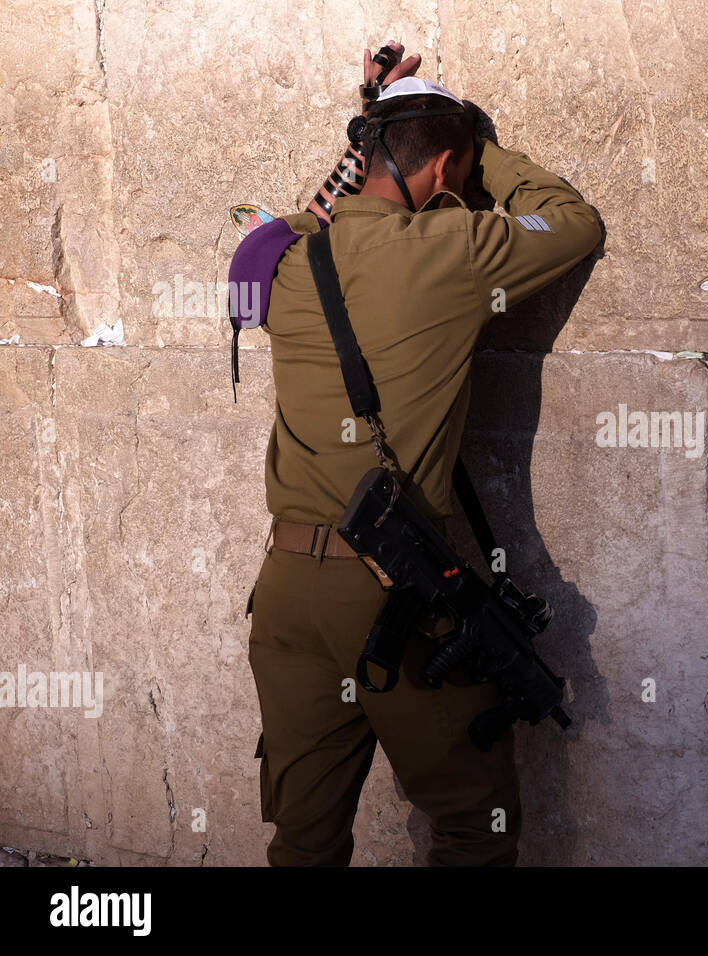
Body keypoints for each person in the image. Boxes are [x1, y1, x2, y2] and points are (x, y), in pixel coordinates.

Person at [237, 41, 603, 866]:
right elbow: (575, 222)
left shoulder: (293, 260)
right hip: (388, 590)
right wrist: (478, 139)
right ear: (446, 169)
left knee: (303, 840)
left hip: (286, 595)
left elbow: (317, 216)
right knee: (477, 825)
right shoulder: (458, 250)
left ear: (365, 159)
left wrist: (371, 122)